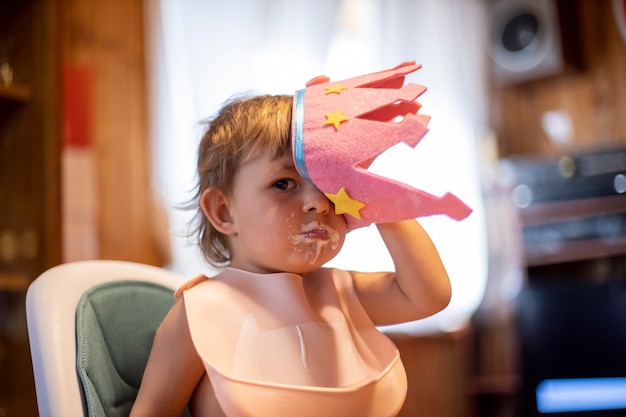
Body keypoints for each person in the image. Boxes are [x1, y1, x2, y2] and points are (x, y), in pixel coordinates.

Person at [130, 92, 452, 417]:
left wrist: (377, 196)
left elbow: (429, 295)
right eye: (284, 183)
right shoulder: (199, 311)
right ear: (224, 212)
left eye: (330, 184)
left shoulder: (341, 292)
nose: (321, 202)